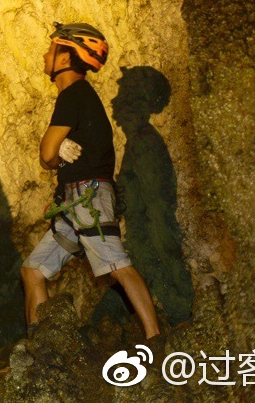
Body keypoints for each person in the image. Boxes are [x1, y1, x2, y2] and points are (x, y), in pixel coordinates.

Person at [19, 22, 161, 340]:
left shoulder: (74, 94)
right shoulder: (81, 97)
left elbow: (46, 153)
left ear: (66, 59)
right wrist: (57, 155)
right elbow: (53, 155)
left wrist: (54, 154)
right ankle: (41, 345)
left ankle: (156, 339)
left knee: (116, 265)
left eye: (51, 48)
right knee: (33, 270)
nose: (45, 54)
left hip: (89, 194)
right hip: (76, 197)